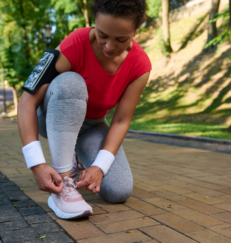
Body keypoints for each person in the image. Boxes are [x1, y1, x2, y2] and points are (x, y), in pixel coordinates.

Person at [18, 0, 151, 219]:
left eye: (121, 39)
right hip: (51, 114)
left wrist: (99, 166)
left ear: (136, 30)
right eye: (102, 35)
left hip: (91, 125)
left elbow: (120, 121)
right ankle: (63, 187)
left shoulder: (140, 66)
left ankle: (79, 160)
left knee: (119, 190)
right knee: (71, 82)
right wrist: (36, 164)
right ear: (94, 23)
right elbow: (26, 101)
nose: (109, 46)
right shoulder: (74, 43)